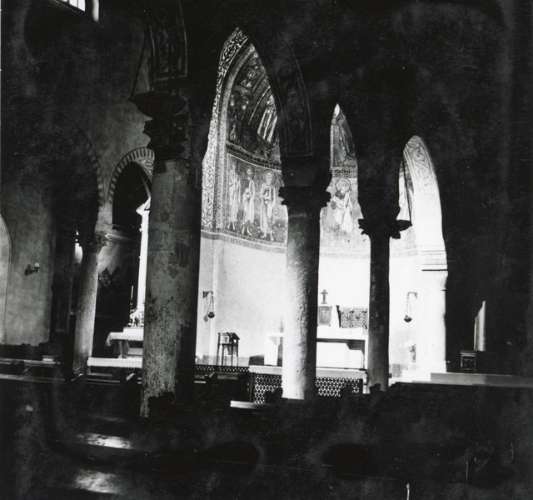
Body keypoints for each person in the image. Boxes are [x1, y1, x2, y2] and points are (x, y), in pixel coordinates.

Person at [259, 171, 276, 240]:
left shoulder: (273, 187)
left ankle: (271, 235)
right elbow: (260, 194)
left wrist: (272, 205)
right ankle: (265, 233)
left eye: (270, 177)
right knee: (264, 219)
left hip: (270, 205)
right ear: (265, 178)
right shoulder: (263, 185)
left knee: (270, 220)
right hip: (264, 204)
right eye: (267, 177)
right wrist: (264, 197)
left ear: (272, 179)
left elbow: (274, 197)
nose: (269, 178)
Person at [241, 167, 256, 236]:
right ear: (246, 172)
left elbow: (253, 192)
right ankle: (243, 229)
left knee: (248, 215)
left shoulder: (252, 182)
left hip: (250, 201)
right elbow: (242, 189)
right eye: (248, 171)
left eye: (250, 172)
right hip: (245, 200)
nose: (249, 173)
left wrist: (251, 196)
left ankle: (247, 229)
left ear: (251, 173)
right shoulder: (244, 181)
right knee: (245, 213)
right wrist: (245, 195)